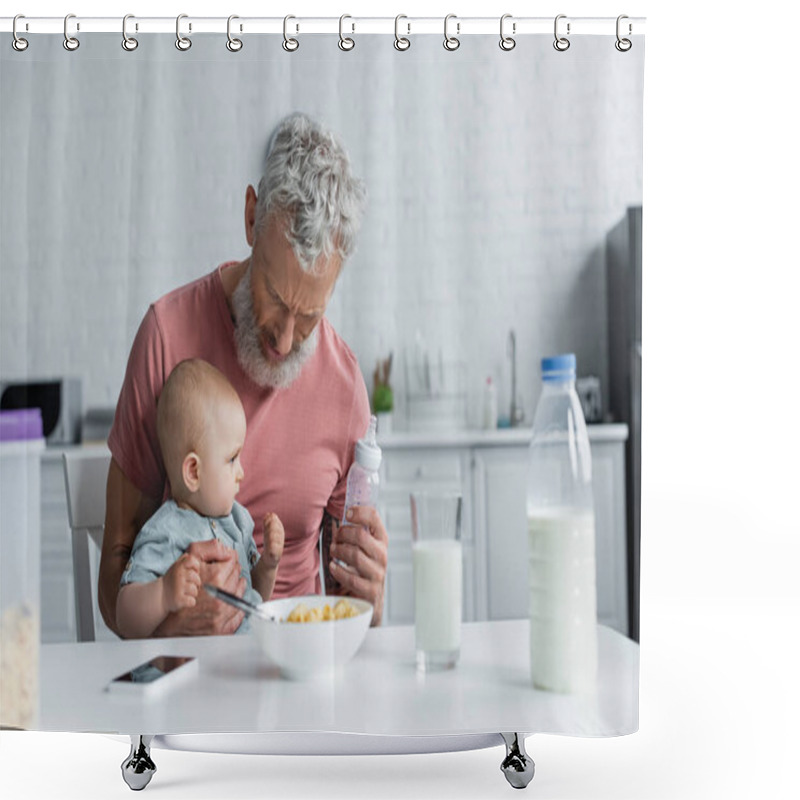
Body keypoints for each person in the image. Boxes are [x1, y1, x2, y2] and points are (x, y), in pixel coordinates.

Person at [99, 112, 388, 637]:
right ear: (251, 217)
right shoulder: (167, 336)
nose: (283, 339)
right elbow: (115, 580)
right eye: (275, 300)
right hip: (188, 680)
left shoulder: (345, 389)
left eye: (311, 318)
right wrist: (177, 625)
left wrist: (374, 597)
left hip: (300, 681)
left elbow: (354, 617)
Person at [116, 359, 284, 639]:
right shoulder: (164, 531)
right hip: (187, 673)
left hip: (241, 664)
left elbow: (254, 601)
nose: (241, 472)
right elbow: (124, 616)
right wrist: (162, 594)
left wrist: (268, 564)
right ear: (193, 471)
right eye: (231, 459)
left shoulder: (238, 521)